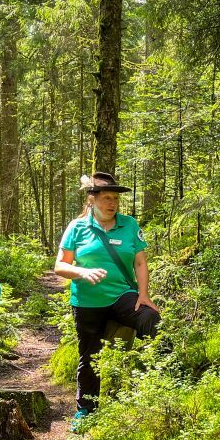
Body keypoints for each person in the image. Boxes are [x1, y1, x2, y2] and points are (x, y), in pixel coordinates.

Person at [54, 172, 160, 427]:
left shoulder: (129, 225)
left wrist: (144, 294)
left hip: (122, 295)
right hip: (87, 302)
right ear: (92, 200)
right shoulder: (77, 227)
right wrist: (82, 272)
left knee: (152, 321)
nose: (112, 203)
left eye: (115, 198)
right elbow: (59, 266)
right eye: (106, 198)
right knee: (89, 355)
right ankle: (86, 411)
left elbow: (140, 261)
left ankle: (158, 387)